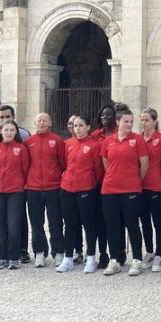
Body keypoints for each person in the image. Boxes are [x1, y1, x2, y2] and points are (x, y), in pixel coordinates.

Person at [100, 103, 149, 276]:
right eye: (126, 121)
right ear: (118, 122)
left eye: (131, 122)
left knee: (132, 225)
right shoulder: (108, 141)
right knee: (112, 226)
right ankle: (115, 260)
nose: (129, 124)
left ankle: (136, 259)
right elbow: (106, 163)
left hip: (131, 189)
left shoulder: (138, 140)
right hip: (110, 189)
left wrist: (135, 180)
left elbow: (144, 164)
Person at [57, 115, 104, 274]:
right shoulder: (68, 143)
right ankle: (68, 257)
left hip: (86, 188)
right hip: (67, 188)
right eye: (75, 125)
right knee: (69, 225)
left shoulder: (94, 145)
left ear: (88, 127)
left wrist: (92, 184)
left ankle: (90, 257)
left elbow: (98, 169)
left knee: (89, 225)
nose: (77, 128)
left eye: (81, 125)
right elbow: (65, 163)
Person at [0, 105, 31, 264]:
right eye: (2, 118)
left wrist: (19, 182)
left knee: (15, 223)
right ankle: (1, 255)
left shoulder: (22, 144)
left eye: (12, 129)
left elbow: (25, 168)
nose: (9, 131)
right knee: (0, 224)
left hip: (16, 189)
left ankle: (16, 254)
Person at [25, 113, 66, 268]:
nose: (41, 123)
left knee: (55, 222)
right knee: (36, 223)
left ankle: (58, 252)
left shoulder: (56, 140)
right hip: (34, 188)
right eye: (39, 121)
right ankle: (39, 253)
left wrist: (55, 177)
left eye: (45, 121)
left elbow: (62, 162)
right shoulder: (29, 142)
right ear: (35, 123)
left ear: (50, 123)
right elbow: (26, 164)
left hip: (53, 187)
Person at [139, 108, 161, 272]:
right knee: (145, 221)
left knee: (159, 222)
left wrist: (157, 174)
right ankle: (149, 252)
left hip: (156, 185)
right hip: (140, 185)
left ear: (154, 121)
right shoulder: (137, 139)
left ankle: (159, 253)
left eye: (147, 120)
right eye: (142, 120)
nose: (144, 123)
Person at [90, 103, 117, 268]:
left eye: (108, 115)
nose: (104, 118)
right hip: (98, 182)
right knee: (99, 220)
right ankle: (103, 253)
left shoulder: (118, 133)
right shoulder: (95, 135)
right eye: (102, 115)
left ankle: (118, 252)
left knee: (115, 220)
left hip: (114, 182)